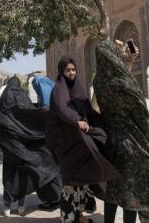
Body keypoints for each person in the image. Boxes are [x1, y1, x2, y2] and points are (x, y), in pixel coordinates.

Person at [93, 39, 149, 223]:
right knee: (131, 194)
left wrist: (128, 62)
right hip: (131, 144)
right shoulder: (123, 82)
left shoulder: (99, 82)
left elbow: (95, 108)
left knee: (114, 189)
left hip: (112, 144)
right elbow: (141, 114)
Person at [47, 56, 119, 223]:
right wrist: (76, 121)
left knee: (81, 180)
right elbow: (63, 109)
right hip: (66, 143)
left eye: (73, 69)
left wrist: (102, 120)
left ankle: (78, 216)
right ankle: (68, 218)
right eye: (68, 70)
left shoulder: (78, 88)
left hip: (79, 142)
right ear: (61, 72)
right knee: (70, 181)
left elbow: (87, 108)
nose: (71, 72)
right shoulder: (59, 89)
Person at [0, 76, 62, 217]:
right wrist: (45, 112)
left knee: (9, 176)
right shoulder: (22, 96)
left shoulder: (3, 99)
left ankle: (7, 205)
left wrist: (6, 140)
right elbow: (30, 114)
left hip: (10, 148)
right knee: (23, 175)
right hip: (22, 148)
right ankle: (21, 206)